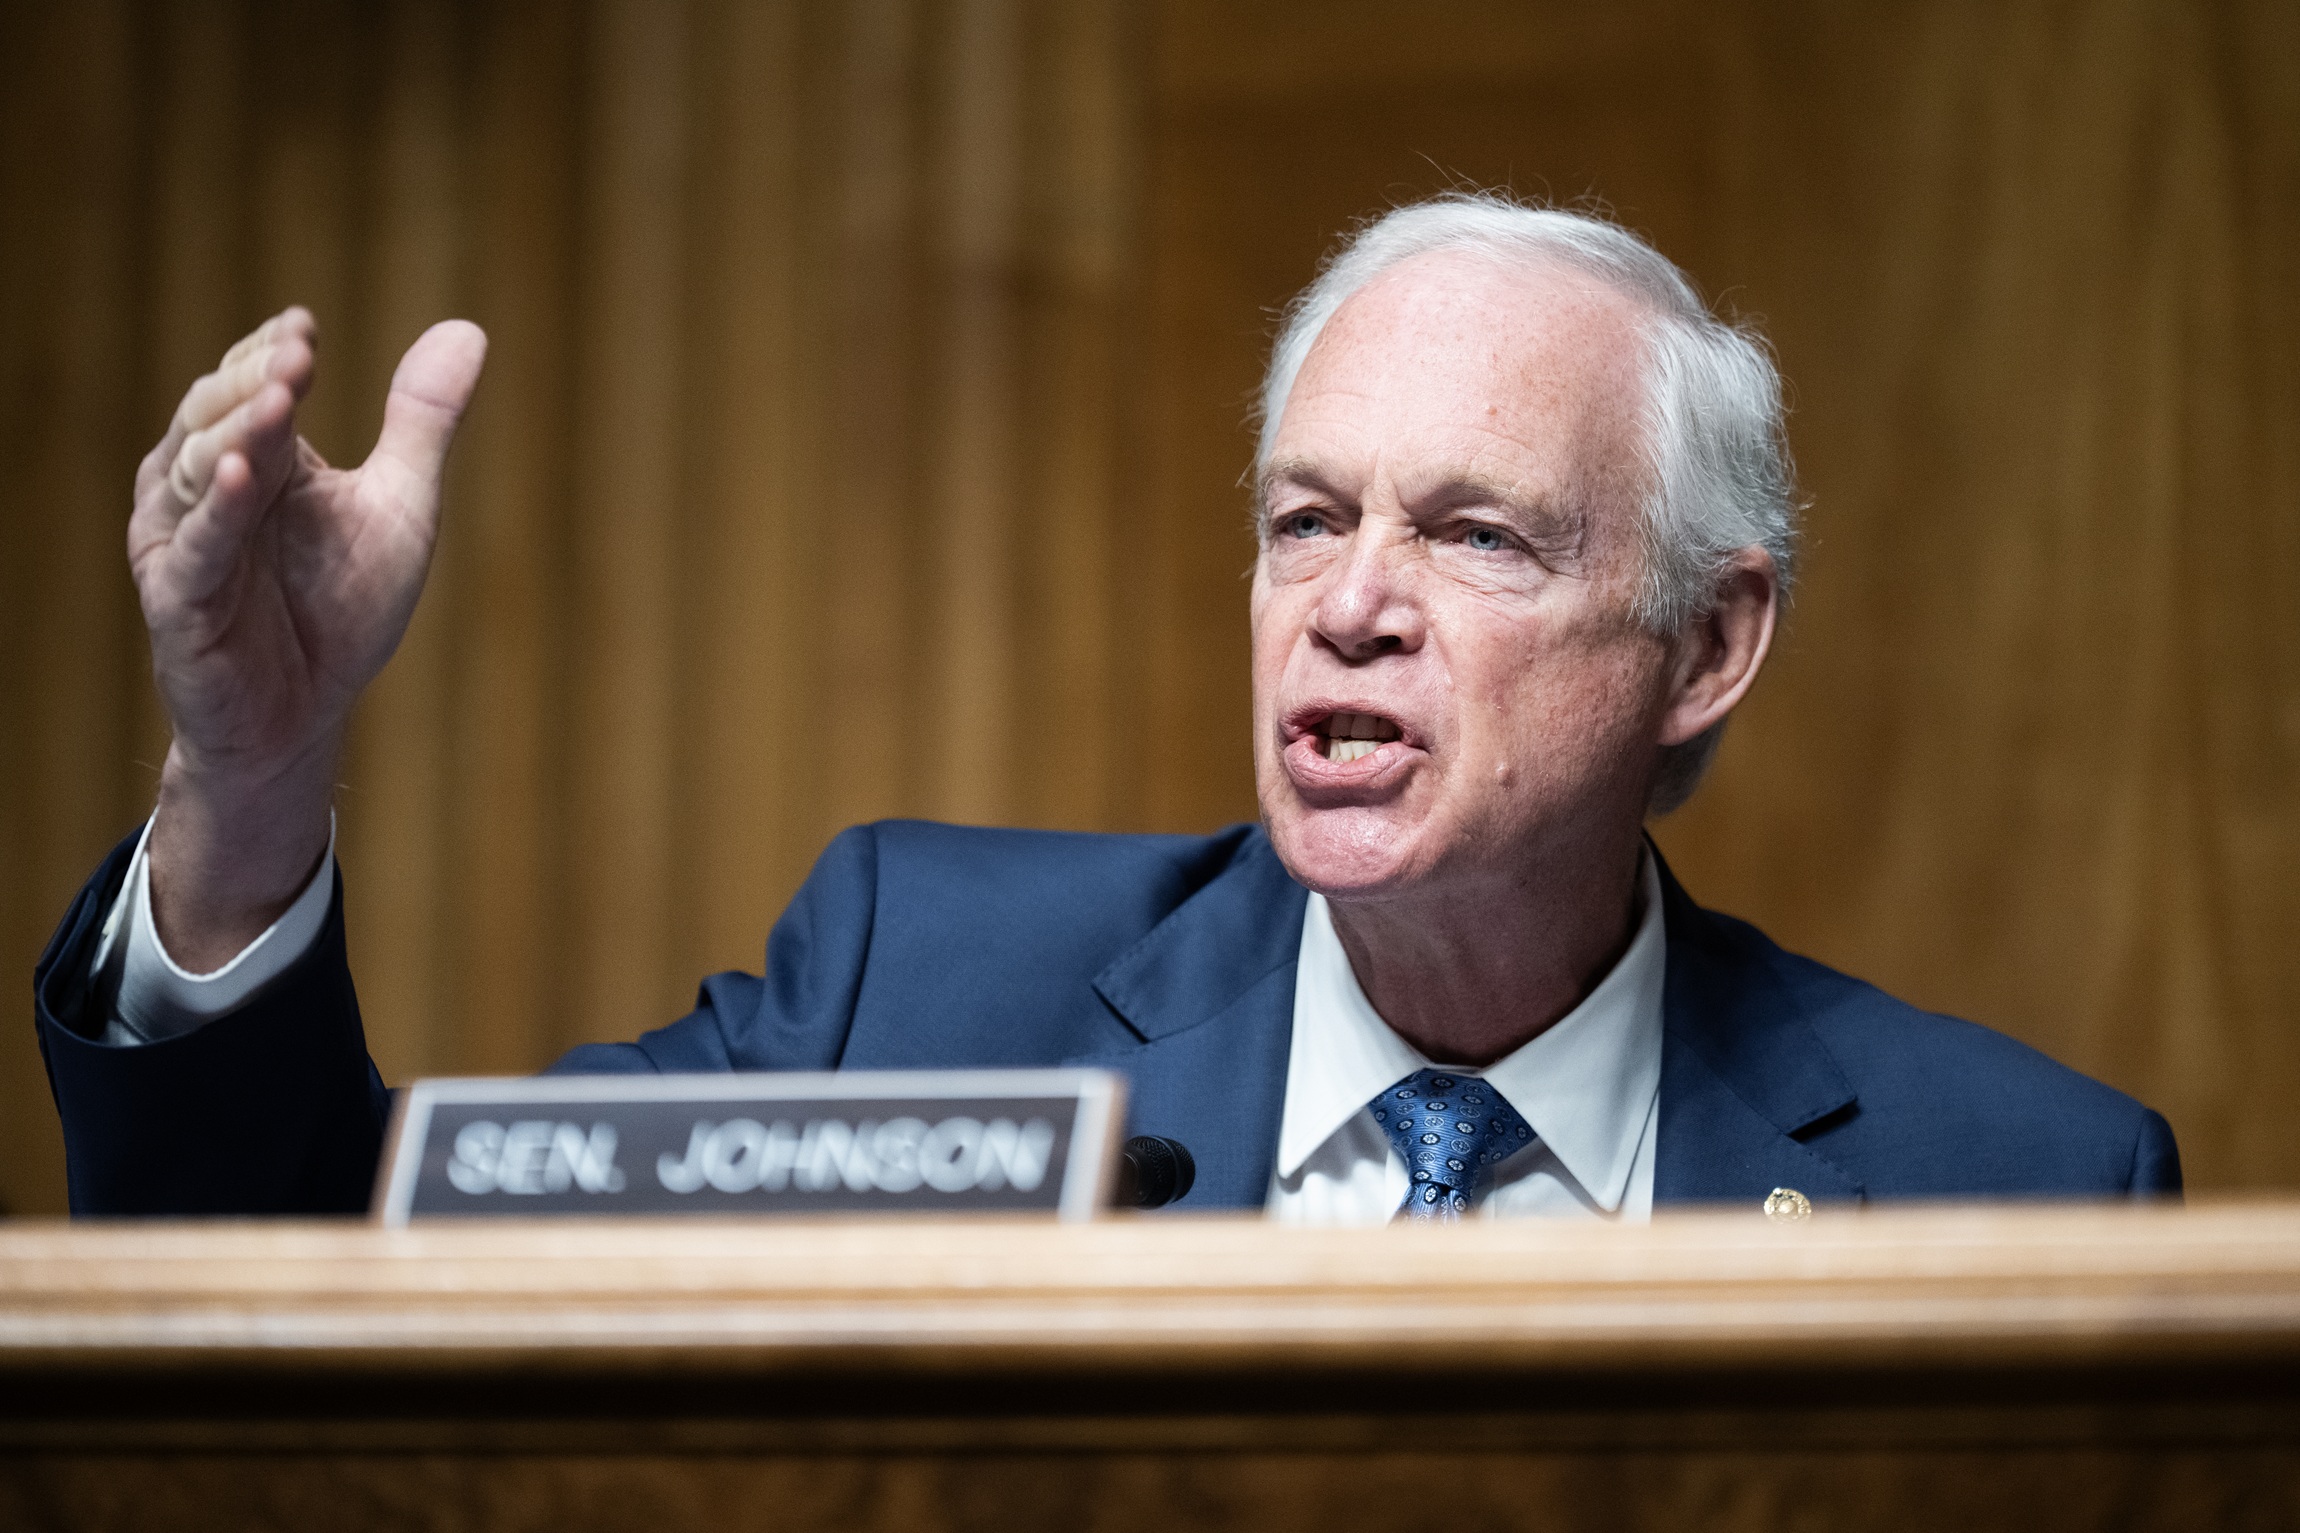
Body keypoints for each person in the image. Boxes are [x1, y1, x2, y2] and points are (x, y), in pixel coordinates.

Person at [34, 193, 2180, 1219]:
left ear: (1706, 643)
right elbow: (310, 1277)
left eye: (1476, 536)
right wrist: (256, 768)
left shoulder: (2020, 1179)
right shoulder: (915, 989)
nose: (1347, 606)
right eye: (1301, 518)